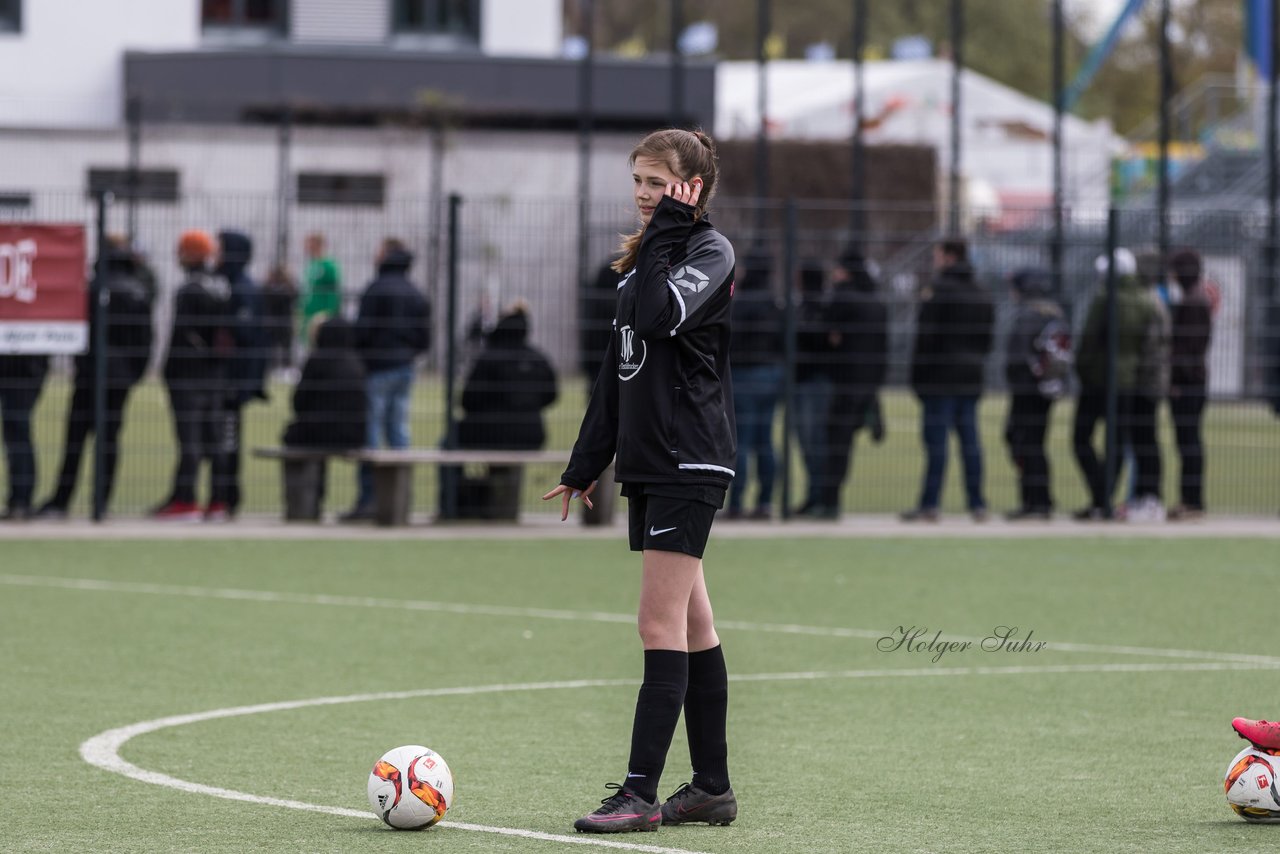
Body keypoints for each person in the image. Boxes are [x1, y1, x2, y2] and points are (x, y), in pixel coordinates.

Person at [542, 128, 738, 833]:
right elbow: (616, 372)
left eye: (658, 183)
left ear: (693, 188)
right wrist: (584, 463)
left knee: (657, 624)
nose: (644, 195)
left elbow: (660, 320)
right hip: (653, 460)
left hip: (690, 456)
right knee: (692, 622)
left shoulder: (708, 251)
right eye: (639, 182)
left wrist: (669, 232)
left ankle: (637, 794)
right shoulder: (642, 264)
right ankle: (712, 788)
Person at [36, 246, 153, 519]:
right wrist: (133, 374)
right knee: (109, 440)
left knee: (75, 439)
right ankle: (100, 501)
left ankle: (61, 500)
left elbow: (78, 333)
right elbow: (146, 340)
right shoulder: (138, 291)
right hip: (120, 379)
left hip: (90, 377)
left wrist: (82, 365)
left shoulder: (91, 289)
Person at [902, 238, 995, 522]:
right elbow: (987, 340)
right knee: (970, 442)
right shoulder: (981, 292)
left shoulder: (938, 291)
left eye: (937, 255)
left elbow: (925, 338)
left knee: (936, 444)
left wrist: (917, 378)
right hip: (970, 377)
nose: (935, 261)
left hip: (939, 378)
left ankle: (930, 503)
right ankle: (977, 502)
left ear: (949, 257)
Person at [1071, 248, 1164, 521]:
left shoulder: (1103, 299)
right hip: (1128, 383)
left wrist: (1082, 370)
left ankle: (1100, 496)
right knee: (1117, 443)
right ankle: (1105, 499)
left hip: (1097, 380)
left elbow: (1089, 340)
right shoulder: (1146, 300)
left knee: (1081, 439)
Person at [343, 238, 432, 521]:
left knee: (370, 433)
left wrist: (364, 353)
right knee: (399, 433)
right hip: (404, 366)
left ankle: (369, 499)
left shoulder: (375, 289)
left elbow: (362, 330)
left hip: (377, 366)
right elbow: (424, 338)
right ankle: (400, 499)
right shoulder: (416, 293)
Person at [152, 230, 233, 521]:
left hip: (187, 375)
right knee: (213, 438)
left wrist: (168, 370)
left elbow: (182, 335)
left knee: (190, 439)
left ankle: (185, 500)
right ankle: (218, 501)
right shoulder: (222, 286)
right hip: (215, 375)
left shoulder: (189, 290)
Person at [455, 302, 558, 519]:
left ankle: (453, 504)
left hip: (487, 434)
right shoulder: (538, 359)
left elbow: (467, 399)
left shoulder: (488, 358)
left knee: (448, 442)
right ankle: (500, 506)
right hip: (531, 436)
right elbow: (552, 395)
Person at [809, 247, 888, 520]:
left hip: (842, 379)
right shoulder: (876, 302)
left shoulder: (842, 298)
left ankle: (828, 501)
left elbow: (824, 334)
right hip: (868, 381)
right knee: (843, 445)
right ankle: (830, 500)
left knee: (834, 443)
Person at [1002, 268, 1070, 520]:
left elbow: (1017, 358)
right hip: (1047, 389)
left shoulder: (1028, 315)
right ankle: (1038, 499)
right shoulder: (1054, 313)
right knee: (1034, 443)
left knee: (1024, 443)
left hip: (1026, 390)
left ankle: (1036, 501)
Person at [210, 229, 268, 521]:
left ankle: (226, 497)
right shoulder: (229, 284)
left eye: (219, 248)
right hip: (227, 379)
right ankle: (220, 496)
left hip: (232, 382)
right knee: (220, 439)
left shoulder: (242, 289)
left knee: (227, 441)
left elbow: (246, 335)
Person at [281, 317, 368, 510]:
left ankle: (308, 502)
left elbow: (298, 402)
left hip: (317, 432)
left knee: (294, 436)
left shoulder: (316, 361)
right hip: (353, 436)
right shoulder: (357, 362)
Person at [725, 249, 781, 520]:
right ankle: (766, 501)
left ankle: (736, 502)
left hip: (745, 375)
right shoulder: (774, 302)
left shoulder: (742, 301)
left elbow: (729, 338)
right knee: (765, 441)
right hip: (771, 374)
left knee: (741, 443)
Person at [1166, 249, 1214, 520]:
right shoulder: (1196, 298)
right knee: (1188, 441)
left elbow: (1187, 348)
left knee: (1188, 442)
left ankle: (1192, 500)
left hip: (1188, 383)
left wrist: (1176, 380)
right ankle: (1190, 499)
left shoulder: (1193, 302)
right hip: (1193, 380)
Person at [1126, 252, 1171, 522]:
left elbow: (1152, 348)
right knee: (1143, 440)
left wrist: (1140, 373)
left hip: (1147, 382)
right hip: (1149, 380)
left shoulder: (1151, 302)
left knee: (1146, 440)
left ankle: (1149, 497)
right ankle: (1143, 495)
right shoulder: (1154, 299)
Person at [791, 260, 832, 515]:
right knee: (809, 441)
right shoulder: (807, 307)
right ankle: (815, 494)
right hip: (806, 380)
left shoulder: (815, 308)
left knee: (813, 441)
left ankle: (818, 495)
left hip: (812, 381)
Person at [0, 354, 49, 520]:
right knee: (15, 431)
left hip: (26, 367)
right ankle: (19, 501)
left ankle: (21, 500)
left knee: (17, 428)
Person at [300, 233, 342, 347]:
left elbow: (334, 291)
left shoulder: (329, 266)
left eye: (309, 244)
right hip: (309, 314)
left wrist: (329, 312)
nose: (306, 247)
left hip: (322, 314)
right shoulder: (312, 265)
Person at [261, 263, 298, 374]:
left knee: (284, 347)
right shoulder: (269, 287)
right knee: (274, 348)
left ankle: (284, 368)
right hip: (276, 322)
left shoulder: (287, 288)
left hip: (283, 322)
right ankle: (274, 368)